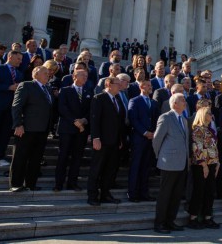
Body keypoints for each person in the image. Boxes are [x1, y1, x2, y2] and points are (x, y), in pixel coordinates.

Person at [10, 66, 53, 191]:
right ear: (36, 74)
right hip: (26, 129)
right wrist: (18, 124)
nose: (48, 74)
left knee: (36, 159)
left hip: (42, 130)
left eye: (48, 73)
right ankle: (16, 184)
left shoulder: (47, 89)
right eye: (45, 73)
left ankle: (31, 184)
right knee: (20, 157)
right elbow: (16, 106)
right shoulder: (26, 85)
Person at [153, 93, 189, 234]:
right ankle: (159, 223)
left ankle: (170, 221)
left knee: (176, 195)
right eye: (182, 100)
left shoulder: (184, 119)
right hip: (168, 163)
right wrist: (160, 157)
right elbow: (157, 140)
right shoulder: (165, 117)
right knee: (165, 194)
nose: (185, 102)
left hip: (182, 163)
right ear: (174, 104)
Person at [87, 77, 126, 206]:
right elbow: (95, 120)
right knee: (96, 169)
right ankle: (92, 195)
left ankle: (105, 194)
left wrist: (120, 138)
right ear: (109, 84)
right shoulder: (99, 98)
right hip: (101, 141)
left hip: (114, 141)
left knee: (109, 170)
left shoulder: (118, 100)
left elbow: (119, 122)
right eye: (118, 84)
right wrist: (95, 138)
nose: (120, 86)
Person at [55, 69, 93, 191]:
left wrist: (84, 120)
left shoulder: (89, 91)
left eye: (87, 76)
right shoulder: (65, 90)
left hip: (81, 130)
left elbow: (90, 110)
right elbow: (62, 108)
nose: (85, 78)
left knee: (77, 158)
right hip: (67, 128)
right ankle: (58, 183)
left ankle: (72, 183)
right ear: (74, 76)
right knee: (63, 156)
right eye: (83, 75)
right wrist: (75, 121)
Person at [187, 107, 221, 230]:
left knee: (210, 192)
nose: (211, 115)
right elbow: (197, 148)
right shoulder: (197, 130)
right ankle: (193, 218)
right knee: (199, 191)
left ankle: (208, 217)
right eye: (208, 113)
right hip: (201, 165)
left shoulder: (210, 130)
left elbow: (213, 147)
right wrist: (204, 165)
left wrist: (217, 163)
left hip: (212, 164)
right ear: (202, 115)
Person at [127, 80, 159, 202]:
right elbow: (133, 119)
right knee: (136, 166)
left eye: (151, 86)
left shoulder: (154, 103)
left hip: (151, 139)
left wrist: (154, 133)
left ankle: (144, 193)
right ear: (141, 87)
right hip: (139, 139)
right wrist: (145, 132)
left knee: (146, 167)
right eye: (148, 85)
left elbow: (157, 119)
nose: (151, 88)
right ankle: (133, 193)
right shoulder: (134, 100)